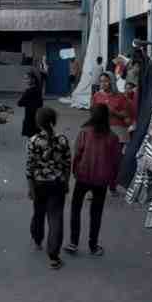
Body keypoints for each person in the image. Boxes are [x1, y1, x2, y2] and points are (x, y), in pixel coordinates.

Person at [66, 105, 122, 257]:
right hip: (101, 180)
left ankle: (73, 242)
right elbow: (116, 161)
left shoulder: (84, 132)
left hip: (83, 176)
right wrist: (112, 182)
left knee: (75, 209)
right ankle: (93, 245)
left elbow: (77, 154)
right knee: (96, 213)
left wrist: (75, 172)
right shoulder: (113, 137)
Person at [26, 107, 71, 269]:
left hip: (39, 184)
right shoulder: (63, 140)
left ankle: (37, 240)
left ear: (38, 122)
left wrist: (30, 188)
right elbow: (67, 164)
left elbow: (29, 167)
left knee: (38, 213)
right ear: (53, 121)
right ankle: (53, 256)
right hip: (57, 184)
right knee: (55, 218)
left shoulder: (33, 141)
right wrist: (66, 183)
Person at [17, 71, 43, 142]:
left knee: (32, 138)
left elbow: (19, 103)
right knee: (37, 137)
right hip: (37, 116)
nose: (26, 81)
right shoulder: (38, 89)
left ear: (33, 79)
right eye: (25, 79)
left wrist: (26, 102)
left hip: (30, 117)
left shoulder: (29, 91)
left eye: (27, 79)